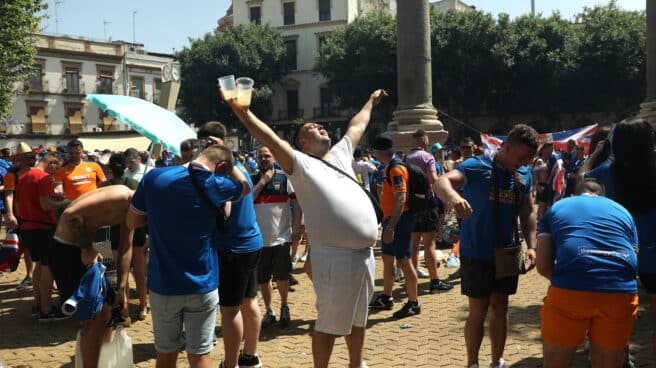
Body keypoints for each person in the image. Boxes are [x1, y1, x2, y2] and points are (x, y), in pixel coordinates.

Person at [221, 86, 387, 368]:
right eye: (312, 128)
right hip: (334, 257)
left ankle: (357, 364)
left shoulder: (340, 155)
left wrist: (370, 101)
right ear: (302, 143)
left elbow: (358, 124)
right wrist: (245, 116)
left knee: (358, 318)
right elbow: (272, 140)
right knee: (329, 323)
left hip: (364, 255)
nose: (320, 126)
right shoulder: (301, 165)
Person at [127, 144, 250, 368]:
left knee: (165, 354)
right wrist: (229, 167)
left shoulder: (154, 177)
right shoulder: (217, 185)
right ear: (221, 166)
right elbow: (245, 187)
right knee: (200, 354)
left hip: (163, 284)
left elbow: (132, 221)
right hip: (203, 283)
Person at [435, 124, 539, 368]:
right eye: (522, 156)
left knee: (501, 307)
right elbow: (441, 183)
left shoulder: (524, 174)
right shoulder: (476, 166)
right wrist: (456, 197)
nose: (525, 162)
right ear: (508, 147)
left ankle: (497, 361)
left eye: (530, 158)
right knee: (478, 310)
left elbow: (527, 212)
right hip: (476, 251)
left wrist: (532, 245)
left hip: (508, 251)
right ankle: (472, 363)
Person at [536, 179, 639, 367]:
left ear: (575, 194)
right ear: (603, 197)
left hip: (570, 291)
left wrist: (570, 280)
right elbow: (632, 262)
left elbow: (542, 264)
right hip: (620, 291)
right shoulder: (623, 212)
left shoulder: (558, 207)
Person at [581, 119, 656, 360]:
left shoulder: (603, 175)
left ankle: (622, 360)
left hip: (616, 257)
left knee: (615, 324)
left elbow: (582, 183)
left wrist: (593, 156)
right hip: (653, 255)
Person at [197, 121, 264, 368]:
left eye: (209, 143)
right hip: (250, 244)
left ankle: (232, 363)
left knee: (230, 310)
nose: (204, 148)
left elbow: (226, 206)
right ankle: (250, 356)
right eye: (202, 143)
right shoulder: (238, 168)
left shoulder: (222, 171)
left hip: (233, 248)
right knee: (248, 301)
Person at [50, 186, 135, 368]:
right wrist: (86, 248)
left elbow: (126, 246)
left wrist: (121, 285)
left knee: (110, 310)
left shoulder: (134, 208)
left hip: (99, 245)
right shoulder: (121, 196)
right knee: (94, 317)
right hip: (69, 248)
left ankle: (100, 362)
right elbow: (70, 214)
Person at [368, 135, 420, 318]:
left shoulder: (396, 169)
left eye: (374, 151)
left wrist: (391, 227)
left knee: (404, 261)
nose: (373, 154)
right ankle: (387, 297)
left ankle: (414, 303)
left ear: (380, 152)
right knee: (388, 258)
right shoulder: (387, 168)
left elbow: (401, 198)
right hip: (391, 220)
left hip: (400, 220)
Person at [15, 153, 70, 320]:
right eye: (56, 167)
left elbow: (20, 205)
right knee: (48, 267)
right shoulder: (43, 177)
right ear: (51, 163)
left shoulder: (24, 177)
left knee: (39, 265)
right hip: (42, 227)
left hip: (28, 227)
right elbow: (46, 205)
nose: (55, 172)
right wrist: (65, 203)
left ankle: (38, 305)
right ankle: (46, 310)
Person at [251, 146, 300, 329]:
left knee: (282, 275)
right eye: (260, 156)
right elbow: (248, 201)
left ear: (274, 157)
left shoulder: (285, 177)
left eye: (267, 156)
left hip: (282, 237)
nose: (263, 159)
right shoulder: (252, 178)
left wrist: (296, 226)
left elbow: (296, 202)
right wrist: (263, 181)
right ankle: (269, 310)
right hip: (259, 239)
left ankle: (284, 306)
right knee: (263, 279)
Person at [405, 129, 453, 291]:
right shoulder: (427, 157)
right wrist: (446, 198)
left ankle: (411, 280)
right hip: (427, 204)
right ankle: (435, 281)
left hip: (412, 204)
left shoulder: (407, 158)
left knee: (414, 244)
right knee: (429, 244)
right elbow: (433, 180)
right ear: (424, 141)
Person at [106, 153, 149, 324]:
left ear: (110, 168)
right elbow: (142, 210)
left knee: (120, 273)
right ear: (125, 166)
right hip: (134, 229)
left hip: (115, 232)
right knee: (139, 272)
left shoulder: (104, 186)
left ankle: (124, 312)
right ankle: (143, 307)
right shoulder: (133, 184)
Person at [5, 142, 37, 290]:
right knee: (27, 247)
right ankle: (30, 275)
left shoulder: (38, 171)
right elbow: (9, 195)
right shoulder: (11, 174)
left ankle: (40, 276)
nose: (29, 159)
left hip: (40, 214)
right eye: (24, 156)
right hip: (22, 215)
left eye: (30, 156)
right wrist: (10, 214)